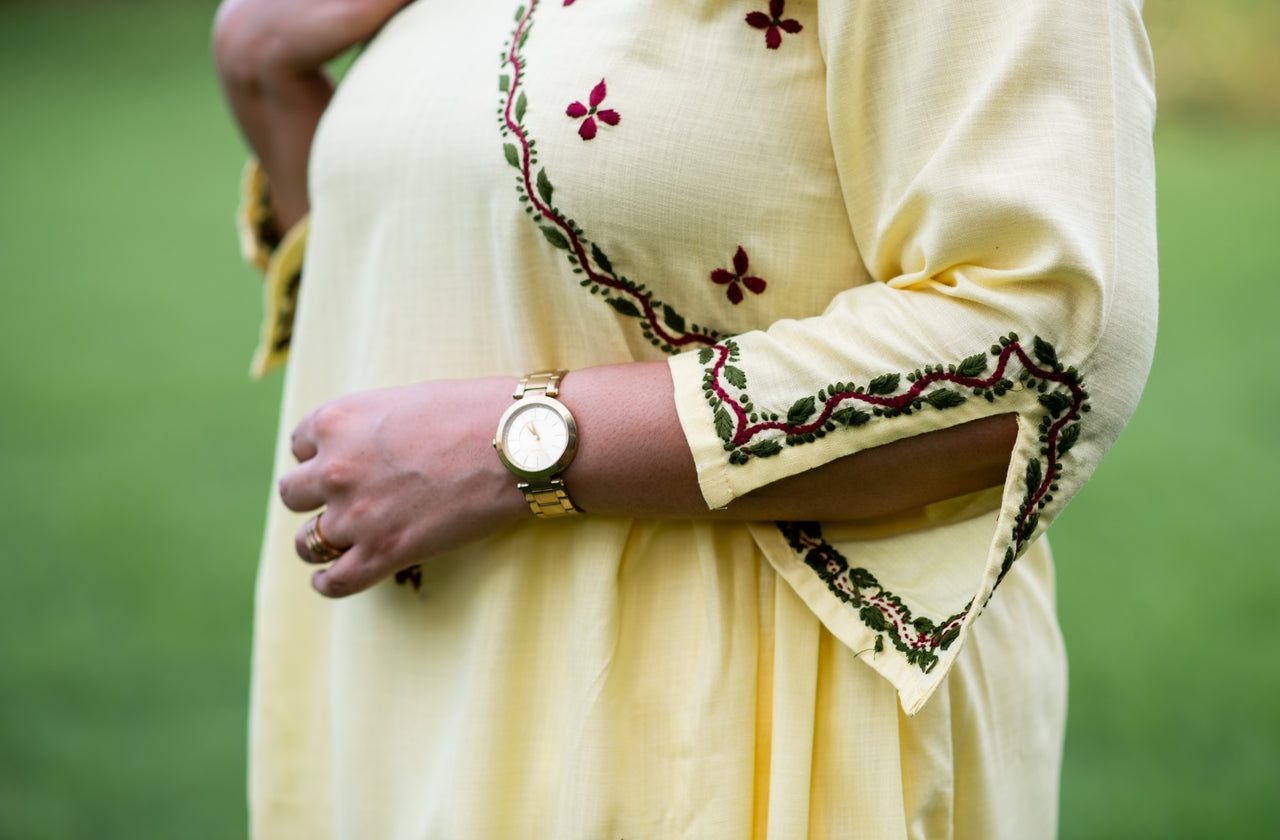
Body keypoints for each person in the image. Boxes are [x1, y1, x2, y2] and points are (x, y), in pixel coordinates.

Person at [214, 0, 1157, 837]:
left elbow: (1041, 341)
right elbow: (451, 277)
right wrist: (268, 87)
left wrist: (522, 446)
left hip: (720, 734)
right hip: (411, 705)